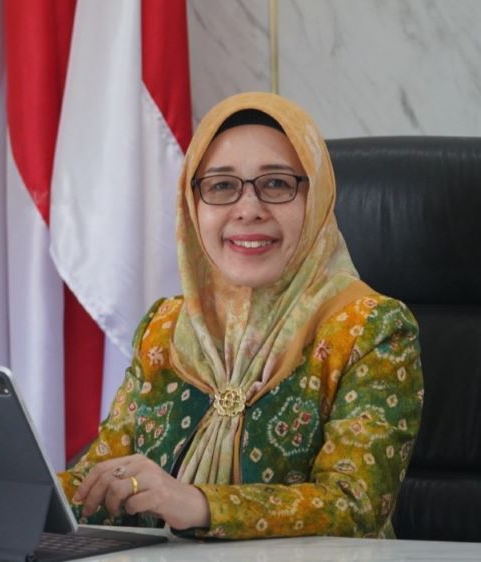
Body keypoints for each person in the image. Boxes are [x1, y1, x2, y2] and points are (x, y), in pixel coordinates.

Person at [57, 92, 424, 539]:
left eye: (277, 184)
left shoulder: (369, 329)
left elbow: (355, 504)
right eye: (221, 186)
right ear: (192, 204)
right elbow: (99, 481)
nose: (248, 209)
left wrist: (199, 504)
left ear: (317, 198)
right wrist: (11, 488)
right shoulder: (165, 329)